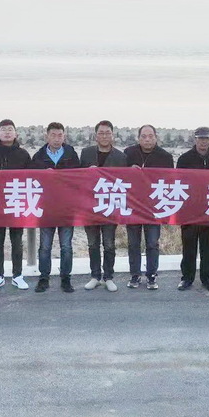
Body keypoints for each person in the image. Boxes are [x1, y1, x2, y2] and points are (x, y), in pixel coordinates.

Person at [31, 122, 80, 293]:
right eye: (53, 135)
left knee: (66, 246)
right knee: (45, 246)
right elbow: (32, 180)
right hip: (46, 208)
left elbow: (78, 179)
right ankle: (44, 278)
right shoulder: (38, 157)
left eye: (60, 135)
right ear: (47, 136)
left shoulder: (71, 154)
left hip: (66, 208)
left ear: (64, 136)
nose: (57, 139)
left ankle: (66, 278)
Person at [125, 124, 174, 290]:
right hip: (132, 206)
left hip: (154, 207)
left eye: (150, 136)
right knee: (133, 243)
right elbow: (119, 177)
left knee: (152, 243)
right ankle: (135, 275)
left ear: (156, 137)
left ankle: (152, 275)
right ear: (138, 138)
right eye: (143, 136)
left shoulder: (165, 157)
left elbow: (170, 181)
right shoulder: (128, 153)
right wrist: (128, 170)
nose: (147, 139)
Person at [0, 119, 32, 291]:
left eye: (10, 129)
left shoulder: (23, 154)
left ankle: (17, 275)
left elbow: (31, 178)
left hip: (16, 202)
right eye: (3, 129)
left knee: (17, 241)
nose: (7, 132)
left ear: (15, 133)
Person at [80, 120, 128, 292]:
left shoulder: (121, 157)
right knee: (93, 244)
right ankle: (95, 276)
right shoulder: (86, 153)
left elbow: (125, 181)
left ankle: (108, 277)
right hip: (90, 206)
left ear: (113, 135)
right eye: (101, 133)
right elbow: (77, 179)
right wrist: (88, 172)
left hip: (110, 206)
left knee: (109, 244)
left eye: (108, 133)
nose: (104, 136)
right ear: (95, 136)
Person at [175, 127, 209, 291]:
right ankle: (187, 278)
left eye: (206, 139)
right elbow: (178, 183)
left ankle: (207, 278)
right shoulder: (184, 159)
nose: (204, 142)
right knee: (189, 247)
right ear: (195, 139)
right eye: (201, 138)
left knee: (208, 248)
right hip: (190, 210)